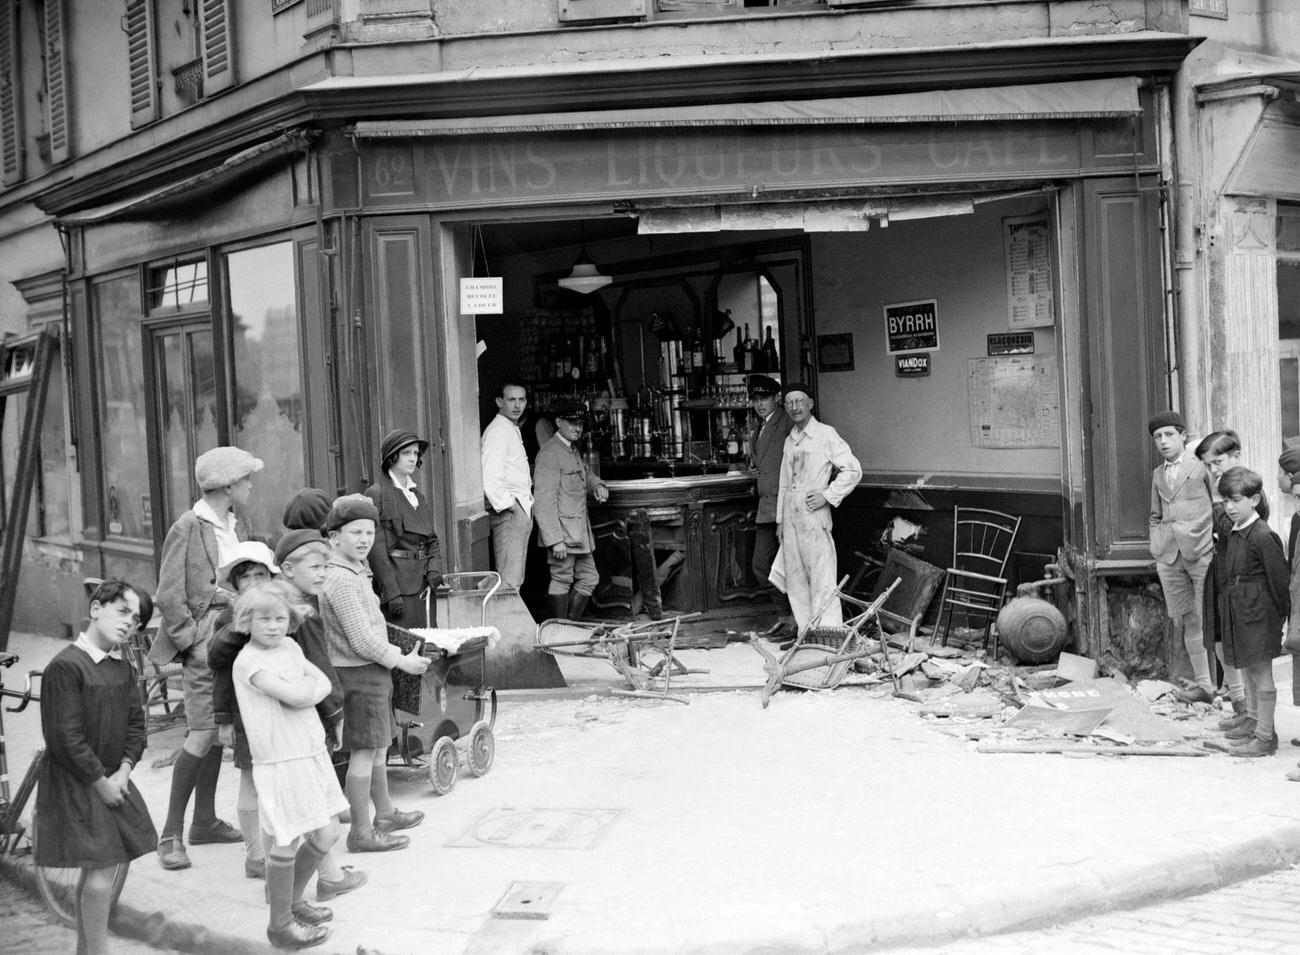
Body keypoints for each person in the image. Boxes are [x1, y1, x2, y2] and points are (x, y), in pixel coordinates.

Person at [152, 445, 263, 870]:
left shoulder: (233, 522)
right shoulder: (189, 526)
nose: (251, 484)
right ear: (229, 484)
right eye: (247, 478)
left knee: (219, 729)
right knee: (201, 733)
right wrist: (193, 640)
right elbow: (168, 593)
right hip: (206, 645)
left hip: (232, 636)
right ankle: (170, 835)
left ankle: (203, 822)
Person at [36, 579, 158, 955]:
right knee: (103, 869)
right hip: (79, 782)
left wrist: (123, 770)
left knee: (101, 868)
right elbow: (65, 736)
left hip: (111, 778)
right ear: (95, 609)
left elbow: (137, 726)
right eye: (122, 611)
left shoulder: (121, 669)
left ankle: (87, 951)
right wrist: (100, 781)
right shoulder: (67, 667)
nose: (128, 624)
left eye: (136, 621)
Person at [230, 582, 349, 950]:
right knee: (286, 840)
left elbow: (323, 684)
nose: (272, 625)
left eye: (280, 618)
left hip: (310, 753)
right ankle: (280, 924)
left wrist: (305, 690)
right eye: (263, 618)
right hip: (281, 761)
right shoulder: (248, 661)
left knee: (327, 832)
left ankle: (294, 901)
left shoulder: (292, 647)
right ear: (247, 620)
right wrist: (305, 689)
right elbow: (300, 693)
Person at [318, 493, 429, 853]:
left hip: (371, 673)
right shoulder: (341, 579)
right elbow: (363, 640)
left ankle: (384, 813)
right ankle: (361, 832)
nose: (364, 539)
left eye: (369, 532)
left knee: (379, 747)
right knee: (365, 750)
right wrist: (402, 661)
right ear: (334, 537)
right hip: (358, 674)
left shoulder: (355, 571)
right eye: (355, 532)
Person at [274, 526, 367, 901]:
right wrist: (337, 714)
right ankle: (310, 885)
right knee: (316, 810)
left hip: (283, 720)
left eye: (325, 567)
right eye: (314, 567)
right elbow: (320, 667)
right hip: (305, 718)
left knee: (291, 812)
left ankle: (316, 875)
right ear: (286, 569)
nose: (321, 574)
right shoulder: (302, 613)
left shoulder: (275, 606)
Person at [207, 541, 280, 879]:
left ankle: (278, 843)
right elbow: (220, 672)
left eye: (260, 575)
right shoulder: (227, 620)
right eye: (245, 577)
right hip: (244, 711)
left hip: (279, 707)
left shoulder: (280, 613)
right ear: (235, 584)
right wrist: (223, 719)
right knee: (251, 779)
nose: (253, 583)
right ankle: (255, 854)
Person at [771, 383, 861, 642]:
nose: (795, 407)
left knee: (822, 579)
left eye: (800, 401)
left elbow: (853, 470)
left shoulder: (825, 434)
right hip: (791, 518)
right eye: (789, 402)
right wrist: (780, 521)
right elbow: (784, 484)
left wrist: (827, 495)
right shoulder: (791, 439)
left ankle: (830, 637)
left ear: (810, 403)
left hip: (813, 515)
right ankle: (806, 636)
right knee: (796, 581)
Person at [1213, 467, 1288, 758]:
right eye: (1225, 501)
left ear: (1255, 499)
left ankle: (1265, 737)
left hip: (1259, 614)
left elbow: (1279, 581)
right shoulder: (1236, 532)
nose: (1229, 507)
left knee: (1261, 671)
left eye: (1236, 500)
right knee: (1247, 667)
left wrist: (1281, 618)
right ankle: (1254, 722)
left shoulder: (1262, 535)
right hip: (1241, 611)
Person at [1147, 411, 1217, 703]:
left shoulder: (1201, 467)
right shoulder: (1157, 475)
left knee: (1212, 620)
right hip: (1169, 556)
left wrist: (1212, 540)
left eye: (1169, 435)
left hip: (1201, 553)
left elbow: (1220, 504)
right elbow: (1155, 515)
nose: (1163, 442)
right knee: (1188, 620)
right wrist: (1157, 543)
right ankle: (1204, 686)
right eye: (1157, 437)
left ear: (1183, 436)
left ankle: (1235, 692)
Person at [1193, 431, 1253, 719]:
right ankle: (1239, 705)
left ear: (1236, 457)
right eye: (1208, 465)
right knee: (1217, 640)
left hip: (1240, 577)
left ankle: (1248, 711)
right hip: (1220, 572)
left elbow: (1231, 532)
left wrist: (1219, 501)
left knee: (1238, 644)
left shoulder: (1248, 491)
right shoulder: (1223, 490)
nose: (1214, 469)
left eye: (1218, 462)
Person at [533, 398, 609, 621]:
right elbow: (543, 503)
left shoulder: (571, 450)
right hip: (563, 535)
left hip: (578, 534)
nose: (578, 427)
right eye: (571, 423)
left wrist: (597, 485)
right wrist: (554, 539)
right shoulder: (549, 454)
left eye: (581, 423)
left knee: (590, 578)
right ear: (558, 422)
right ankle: (559, 632)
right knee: (561, 578)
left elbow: (585, 473)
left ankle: (567, 628)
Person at [365, 429, 444, 629]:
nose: (412, 458)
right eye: (406, 453)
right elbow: (377, 551)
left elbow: (432, 539)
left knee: (428, 647)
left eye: (415, 453)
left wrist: (434, 570)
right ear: (393, 457)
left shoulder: (417, 496)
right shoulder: (377, 494)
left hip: (423, 585)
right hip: (398, 589)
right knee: (404, 650)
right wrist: (391, 592)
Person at [746, 374, 795, 643]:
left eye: (763, 398)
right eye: (755, 399)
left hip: (784, 507)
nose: (759, 404)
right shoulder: (761, 426)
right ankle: (785, 616)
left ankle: (793, 620)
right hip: (766, 507)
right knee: (762, 567)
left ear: (776, 398)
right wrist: (752, 468)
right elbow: (763, 460)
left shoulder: (786, 422)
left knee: (790, 568)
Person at [481, 382, 534, 591]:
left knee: (513, 577)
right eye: (511, 400)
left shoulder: (509, 428)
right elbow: (489, 476)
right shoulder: (497, 431)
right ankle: (501, 623)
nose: (517, 405)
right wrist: (510, 506)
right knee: (508, 579)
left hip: (519, 508)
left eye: (521, 399)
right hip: (509, 512)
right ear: (499, 402)